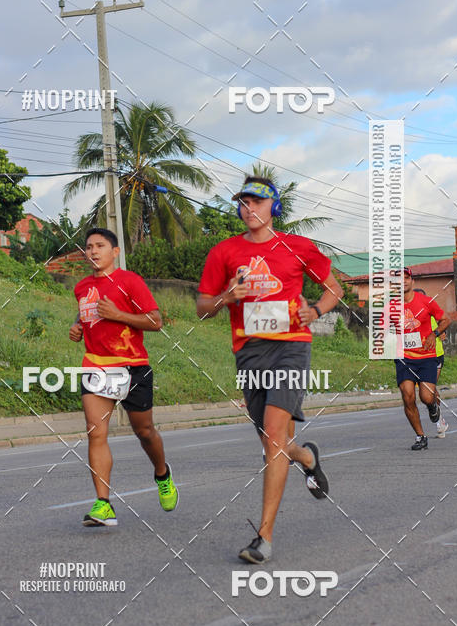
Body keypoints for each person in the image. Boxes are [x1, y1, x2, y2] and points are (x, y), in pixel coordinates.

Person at [196, 176, 343, 564]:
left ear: (273, 207)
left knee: (275, 436)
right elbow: (202, 307)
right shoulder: (224, 252)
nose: (250, 209)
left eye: (258, 201)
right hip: (249, 353)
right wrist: (229, 296)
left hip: (291, 349)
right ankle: (307, 458)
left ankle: (264, 538)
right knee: (272, 444)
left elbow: (335, 289)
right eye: (244, 202)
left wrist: (316, 310)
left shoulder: (297, 247)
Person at [69, 227, 178, 526]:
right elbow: (84, 315)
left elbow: (155, 322)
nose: (92, 251)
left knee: (145, 432)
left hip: (132, 366)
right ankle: (103, 505)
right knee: (96, 432)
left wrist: (118, 315)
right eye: (89, 246)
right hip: (96, 366)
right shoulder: (81, 287)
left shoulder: (130, 281)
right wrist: (76, 328)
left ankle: (162, 473)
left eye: (99, 246)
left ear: (114, 252)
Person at [394, 269, 451, 450]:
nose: (403, 281)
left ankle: (433, 406)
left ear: (412, 281)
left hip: (426, 357)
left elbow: (445, 320)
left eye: (406, 278)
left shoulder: (427, 302)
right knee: (407, 396)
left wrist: (434, 335)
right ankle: (420, 436)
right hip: (404, 357)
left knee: (426, 396)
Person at [412, 289, 447, 438]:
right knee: (426, 390)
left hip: (435, 356)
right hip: (416, 358)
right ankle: (438, 416)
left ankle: (439, 421)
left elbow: (444, 326)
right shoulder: (410, 316)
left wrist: (440, 333)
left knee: (429, 389)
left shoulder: (432, 312)